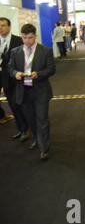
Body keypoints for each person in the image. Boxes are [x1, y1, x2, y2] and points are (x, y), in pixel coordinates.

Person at [8, 24, 55, 160]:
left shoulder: (45, 50)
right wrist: (16, 73)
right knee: (30, 119)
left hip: (40, 90)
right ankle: (36, 138)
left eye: (30, 37)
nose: (27, 41)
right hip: (23, 91)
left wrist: (37, 74)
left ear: (35, 36)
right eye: (24, 38)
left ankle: (44, 148)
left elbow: (51, 69)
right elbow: (10, 68)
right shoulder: (15, 51)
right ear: (21, 36)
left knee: (42, 119)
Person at [0, 17, 29, 139]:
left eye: (3, 25)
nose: (0, 28)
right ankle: (21, 128)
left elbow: (26, 61)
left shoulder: (18, 41)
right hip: (2, 79)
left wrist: (27, 81)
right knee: (12, 105)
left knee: (19, 105)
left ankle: (26, 129)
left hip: (16, 79)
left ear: (9, 26)